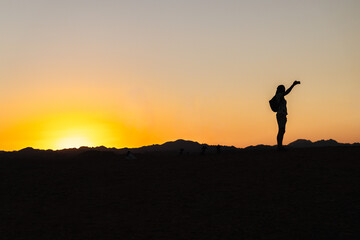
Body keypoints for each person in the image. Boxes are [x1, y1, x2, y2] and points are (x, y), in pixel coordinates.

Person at [275, 80, 300, 150]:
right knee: (281, 130)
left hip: (282, 114)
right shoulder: (279, 95)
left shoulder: (280, 96)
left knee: (282, 130)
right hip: (281, 115)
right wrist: (293, 85)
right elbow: (287, 92)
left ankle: (280, 145)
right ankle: (279, 146)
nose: (284, 90)